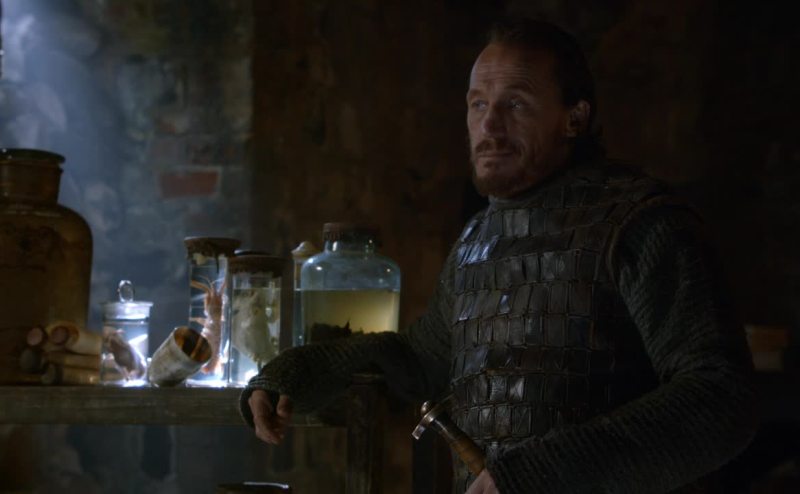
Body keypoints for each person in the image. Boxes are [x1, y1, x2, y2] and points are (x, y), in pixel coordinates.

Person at [240, 18, 758, 494]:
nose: (489, 127)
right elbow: (418, 359)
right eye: (478, 104)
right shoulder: (478, 240)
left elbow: (720, 399)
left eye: (516, 104)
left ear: (574, 118)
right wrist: (293, 374)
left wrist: (537, 473)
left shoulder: (640, 224)